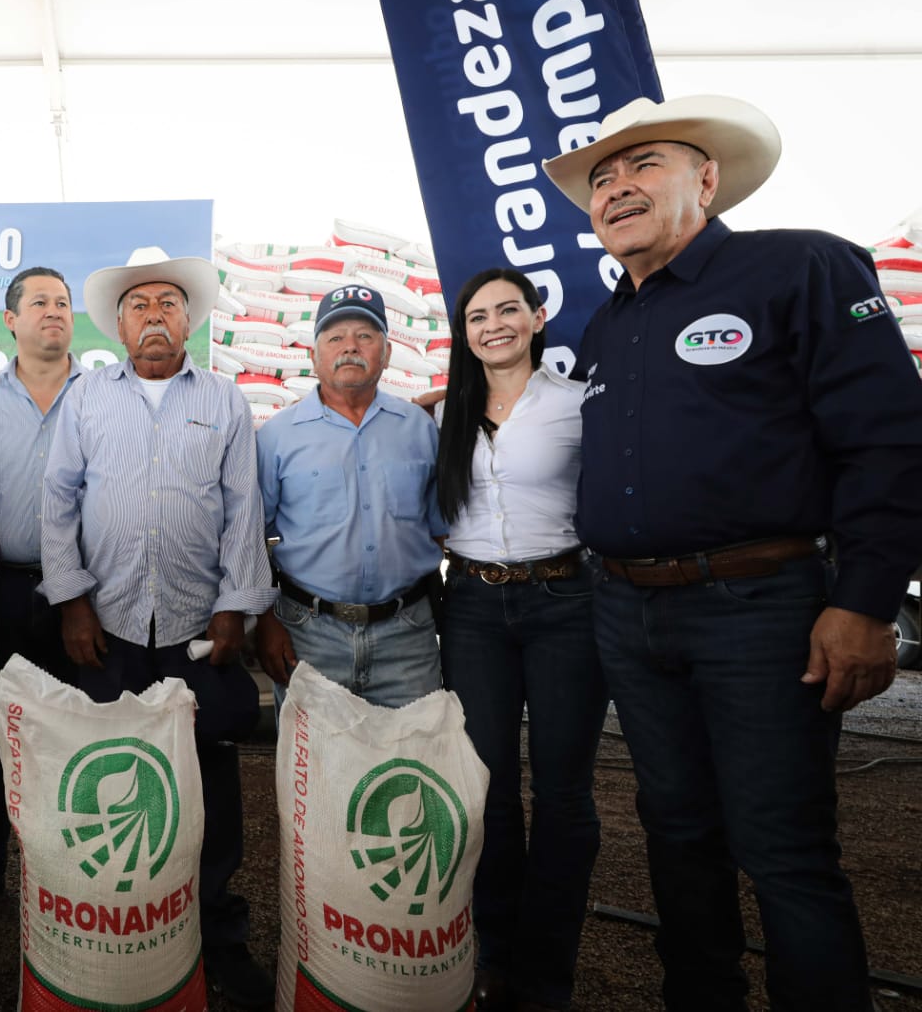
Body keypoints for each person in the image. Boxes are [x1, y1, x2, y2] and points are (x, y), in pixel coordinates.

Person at [541, 94, 922, 1011]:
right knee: (674, 831)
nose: (619, 187)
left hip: (762, 609)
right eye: (603, 178)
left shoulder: (800, 267)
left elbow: (891, 439)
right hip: (630, 613)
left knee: (783, 845)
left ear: (706, 179)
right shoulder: (606, 324)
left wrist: (865, 600)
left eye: (645, 166)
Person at [40, 246, 276, 1008]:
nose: (154, 316)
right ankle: (119, 923)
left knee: (208, 773)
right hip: (106, 625)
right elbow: (59, 501)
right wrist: (73, 601)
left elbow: (244, 509)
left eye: (168, 304)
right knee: (112, 773)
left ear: (187, 319)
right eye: (139, 305)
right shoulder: (85, 399)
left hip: (195, 626)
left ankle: (218, 934)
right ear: (118, 324)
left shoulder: (226, 399)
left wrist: (235, 606)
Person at [435, 268, 605, 1012]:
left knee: (564, 794)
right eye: (478, 316)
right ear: (463, 333)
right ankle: (494, 958)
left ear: (538, 320)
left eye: (509, 310)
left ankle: (547, 977)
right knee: (489, 792)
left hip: (566, 600)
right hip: (472, 606)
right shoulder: (446, 413)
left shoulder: (577, 406)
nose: (494, 325)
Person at [0, 266, 84, 925]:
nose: (53, 312)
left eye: (63, 303)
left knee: (71, 734)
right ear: (11, 320)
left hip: (82, 597)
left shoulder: (103, 393)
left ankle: (65, 873)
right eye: (39, 302)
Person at [253, 284, 446, 709]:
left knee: (412, 763)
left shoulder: (419, 428)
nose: (350, 348)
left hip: (406, 636)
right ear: (313, 355)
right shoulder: (277, 436)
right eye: (335, 338)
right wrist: (265, 621)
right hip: (310, 633)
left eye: (365, 336)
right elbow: (250, 539)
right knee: (317, 769)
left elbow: (438, 530)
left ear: (388, 353)